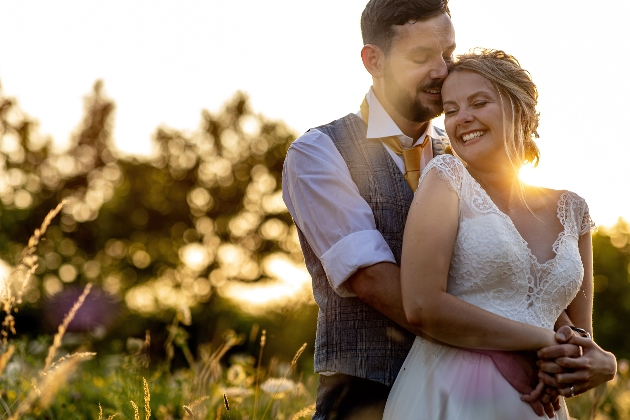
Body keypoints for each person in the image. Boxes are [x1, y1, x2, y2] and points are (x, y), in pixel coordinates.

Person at [282, 1, 616, 419]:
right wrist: (522, 344)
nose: (442, 71)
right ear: (374, 60)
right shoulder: (319, 153)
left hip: (509, 396)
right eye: (422, 57)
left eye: (448, 54)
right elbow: (371, 279)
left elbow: (527, 282)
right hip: (367, 396)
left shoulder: (470, 151)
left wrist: (589, 352)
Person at [382, 49, 616, 419]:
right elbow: (422, 305)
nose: (462, 119)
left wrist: (604, 364)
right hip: (454, 392)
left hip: (540, 407)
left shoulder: (573, 209)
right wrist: (540, 339)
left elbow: (579, 337)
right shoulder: (446, 178)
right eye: (451, 109)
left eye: (479, 102)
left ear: (519, 109)